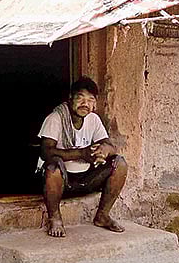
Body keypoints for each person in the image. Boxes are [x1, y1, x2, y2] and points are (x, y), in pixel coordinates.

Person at [36, 76, 127, 237]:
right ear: (70, 98)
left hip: (85, 178)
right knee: (53, 165)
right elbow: (45, 151)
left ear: (95, 103)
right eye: (80, 98)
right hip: (61, 180)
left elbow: (110, 145)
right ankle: (55, 218)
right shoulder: (56, 118)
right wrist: (82, 153)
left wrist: (103, 151)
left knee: (119, 163)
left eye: (90, 100)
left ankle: (102, 215)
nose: (85, 104)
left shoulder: (93, 119)